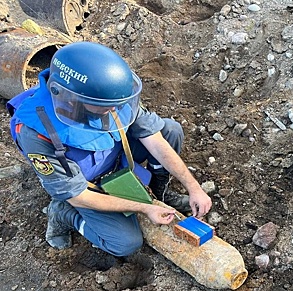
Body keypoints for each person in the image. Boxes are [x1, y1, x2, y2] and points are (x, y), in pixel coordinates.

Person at [8, 41, 212, 257]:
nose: (115, 109)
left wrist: (194, 187)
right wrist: (144, 208)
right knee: (125, 244)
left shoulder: (109, 98)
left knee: (170, 130)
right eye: (106, 105)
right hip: (85, 185)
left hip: (115, 158)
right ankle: (64, 215)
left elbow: (155, 139)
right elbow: (78, 195)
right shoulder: (37, 130)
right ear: (73, 99)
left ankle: (157, 192)